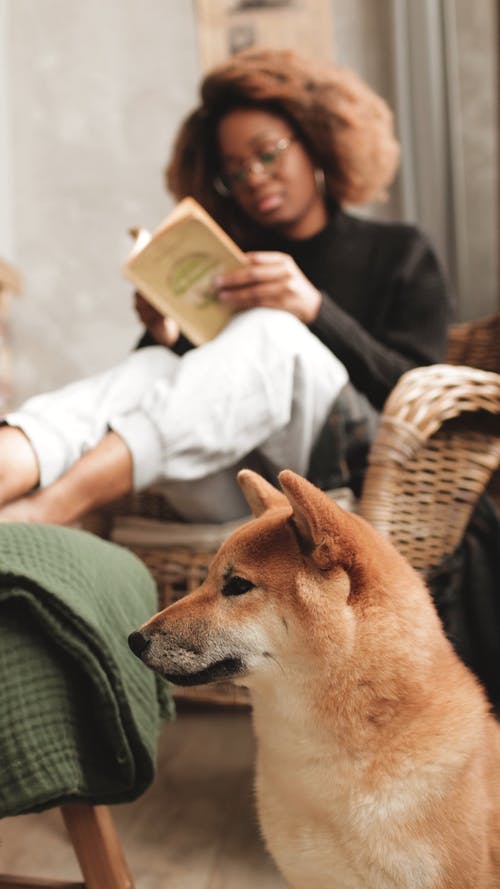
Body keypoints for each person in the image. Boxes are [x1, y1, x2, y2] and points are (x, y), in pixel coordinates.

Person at [0, 49, 451, 526]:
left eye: (267, 153)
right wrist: (163, 334)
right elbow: (172, 391)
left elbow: (424, 396)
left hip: (350, 477)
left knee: (271, 332)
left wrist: (315, 311)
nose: (253, 177)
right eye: (234, 169)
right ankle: (13, 463)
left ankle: (57, 506)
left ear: (315, 141)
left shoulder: (401, 250)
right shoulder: (231, 258)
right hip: (247, 486)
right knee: (152, 364)